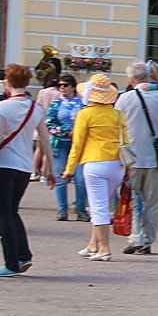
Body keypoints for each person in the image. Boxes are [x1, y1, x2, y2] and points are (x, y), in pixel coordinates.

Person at [0, 64, 57, 277]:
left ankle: (11, 262)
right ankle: (23, 255)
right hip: (24, 167)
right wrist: (50, 169)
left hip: (3, 164)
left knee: (4, 214)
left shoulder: (1, 108)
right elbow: (45, 141)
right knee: (13, 211)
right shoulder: (36, 109)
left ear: (8, 83)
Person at [64, 73, 129, 261]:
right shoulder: (117, 115)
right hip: (117, 164)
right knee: (100, 205)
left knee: (98, 207)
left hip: (95, 163)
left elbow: (77, 145)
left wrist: (69, 170)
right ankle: (93, 245)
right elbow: (127, 141)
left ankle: (105, 249)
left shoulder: (85, 114)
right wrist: (129, 170)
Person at [114, 61, 158, 255]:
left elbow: (117, 126)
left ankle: (135, 237)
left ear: (132, 80)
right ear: (149, 77)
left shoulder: (124, 99)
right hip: (155, 156)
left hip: (131, 156)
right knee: (151, 202)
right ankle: (148, 240)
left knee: (131, 198)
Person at [46, 73, 89, 221]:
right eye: (60, 85)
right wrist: (65, 131)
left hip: (79, 144)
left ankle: (81, 208)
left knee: (80, 178)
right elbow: (49, 123)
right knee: (61, 176)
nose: (62, 88)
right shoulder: (56, 104)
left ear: (73, 87)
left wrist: (78, 132)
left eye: (65, 85)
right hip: (61, 143)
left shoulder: (82, 104)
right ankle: (62, 208)